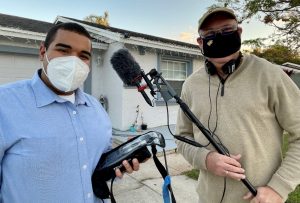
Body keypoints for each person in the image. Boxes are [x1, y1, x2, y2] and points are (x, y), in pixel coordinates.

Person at [0, 22, 139, 203]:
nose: (74, 61)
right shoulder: (5, 103)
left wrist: (119, 165)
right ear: (43, 52)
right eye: (63, 50)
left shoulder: (96, 108)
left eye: (83, 56)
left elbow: (100, 164)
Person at [175, 7, 300, 203]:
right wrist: (204, 159)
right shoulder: (190, 85)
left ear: (239, 33)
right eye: (210, 35)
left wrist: (279, 187)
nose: (220, 37)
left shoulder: (271, 75)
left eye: (227, 30)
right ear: (200, 42)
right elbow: (182, 137)